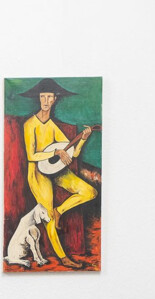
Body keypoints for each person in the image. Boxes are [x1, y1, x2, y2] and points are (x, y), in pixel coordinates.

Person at [20, 79, 97, 269]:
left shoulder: (52, 126)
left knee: (89, 192)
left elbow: (72, 153)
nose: (45, 101)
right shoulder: (30, 125)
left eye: (49, 97)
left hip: (57, 170)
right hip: (37, 173)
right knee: (48, 217)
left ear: (55, 99)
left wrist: (82, 140)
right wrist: (55, 152)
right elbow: (31, 155)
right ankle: (63, 258)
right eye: (42, 96)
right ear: (39, 98)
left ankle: (60, 210)